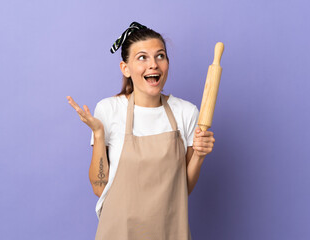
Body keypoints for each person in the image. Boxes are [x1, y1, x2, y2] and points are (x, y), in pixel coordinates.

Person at [67, 22, 215, 240]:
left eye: (160, 56)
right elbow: (99, 188)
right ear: (125, 68)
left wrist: (199, 157)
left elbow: (182, 188)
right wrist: (99, 134)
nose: (153, 65)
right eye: (142, 57)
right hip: (118, 233)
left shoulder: (186, 112)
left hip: (170, 231)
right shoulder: (109, 109)